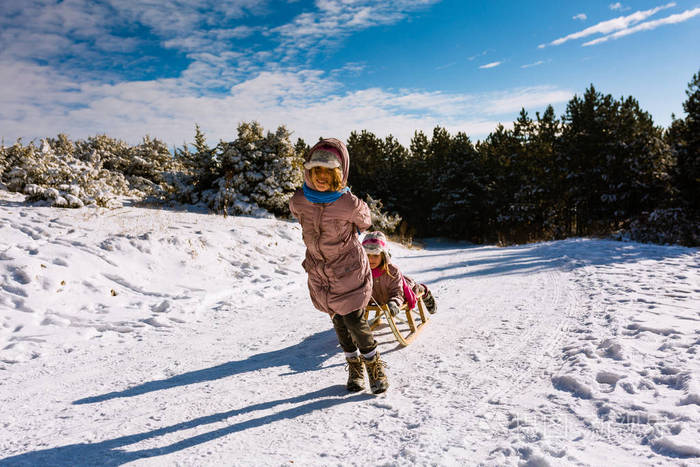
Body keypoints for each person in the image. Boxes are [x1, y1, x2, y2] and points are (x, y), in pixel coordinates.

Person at [288, 138, 389, 394]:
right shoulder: (300, 200)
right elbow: (297, 212)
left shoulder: (348, 203)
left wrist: (350, 207)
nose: (321, 177)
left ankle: (374, 367)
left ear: (339, 173)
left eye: (328, 172)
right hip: (321, 271)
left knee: (354, 320)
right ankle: (354, 368)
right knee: (339, 322)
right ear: (309, 171)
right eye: (316, 171)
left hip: (349, 269)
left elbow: (365, 221)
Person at [362, 231, 437, 317]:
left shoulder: (392, 271)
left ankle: (425, 291)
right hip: (379, 298)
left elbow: (397, 292)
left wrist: (393, 303)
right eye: (368, 255)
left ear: (383, 255)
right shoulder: (362, 272)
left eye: (375, 255)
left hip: (402, 292)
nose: (371, 259)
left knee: (415, 289)